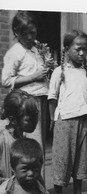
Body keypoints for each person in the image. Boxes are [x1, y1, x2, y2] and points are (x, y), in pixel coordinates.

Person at [1, 11, 51, 180]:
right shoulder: (15, 52)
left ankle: (39, 186)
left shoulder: (36, 50)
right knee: (30, 147)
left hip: (40, 100)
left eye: (33, 32)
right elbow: (5, 80)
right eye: (25, 33)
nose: (30, 37)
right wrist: (33, 77)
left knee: (39, 147)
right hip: (26, 104)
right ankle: (31, 186)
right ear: (16, 32)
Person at [48, 30, 87, 194]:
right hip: (65, 120)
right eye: (77, 49)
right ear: (67, 49)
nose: (82, 53)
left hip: (82, 120)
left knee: (80, 159)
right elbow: (52, 98)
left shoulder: (86, 72)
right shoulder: (59, 72)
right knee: (62, 158)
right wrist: (53, 120)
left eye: (85, 49)